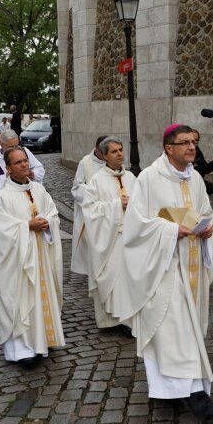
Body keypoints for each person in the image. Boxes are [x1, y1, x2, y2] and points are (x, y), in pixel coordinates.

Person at [112, 125, 213, 420]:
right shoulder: (149, 178)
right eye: (184, 143)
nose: (191, 147)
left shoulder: (196, 178)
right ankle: (194, 394)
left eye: (194, 142)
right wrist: (172, 229)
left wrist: (206, 228)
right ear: (168, 148)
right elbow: (137, 226)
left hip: (193, 264)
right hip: (163, 267)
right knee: (174, 329)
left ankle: (170, 390)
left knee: (186, 330)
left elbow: (205, 212)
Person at [0, 147, 65, 367]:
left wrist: (48, 223)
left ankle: (43, 340)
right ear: (8, 168)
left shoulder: (40, 190)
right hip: (19, 264)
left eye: (25, 161)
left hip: (41, 256)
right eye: (18, 162)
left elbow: (53, 214)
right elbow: (2, 233)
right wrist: (27, 227)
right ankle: (22, 350)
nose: (24, 165)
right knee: (21, 301)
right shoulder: (2, 198)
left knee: (41, 297)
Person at [80, 137, 136, 330]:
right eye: (114, 151)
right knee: (111, 279)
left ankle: (128, 320)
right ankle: (110, 321)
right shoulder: (96, 181)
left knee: (128, 282)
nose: (119, 154)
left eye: (121, 150)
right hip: (108, 239)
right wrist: (117, 205)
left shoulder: (131, 178)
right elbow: (90, 210)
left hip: (129, 238)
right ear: (104, 155)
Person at [70, 135, 108, 276]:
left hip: (109, 212)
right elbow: (77, 187)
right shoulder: (85, 163)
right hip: (91, 212)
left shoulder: (113, 161)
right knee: (92, 243)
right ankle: (93, 270)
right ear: (97, 149)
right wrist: (93, 195)